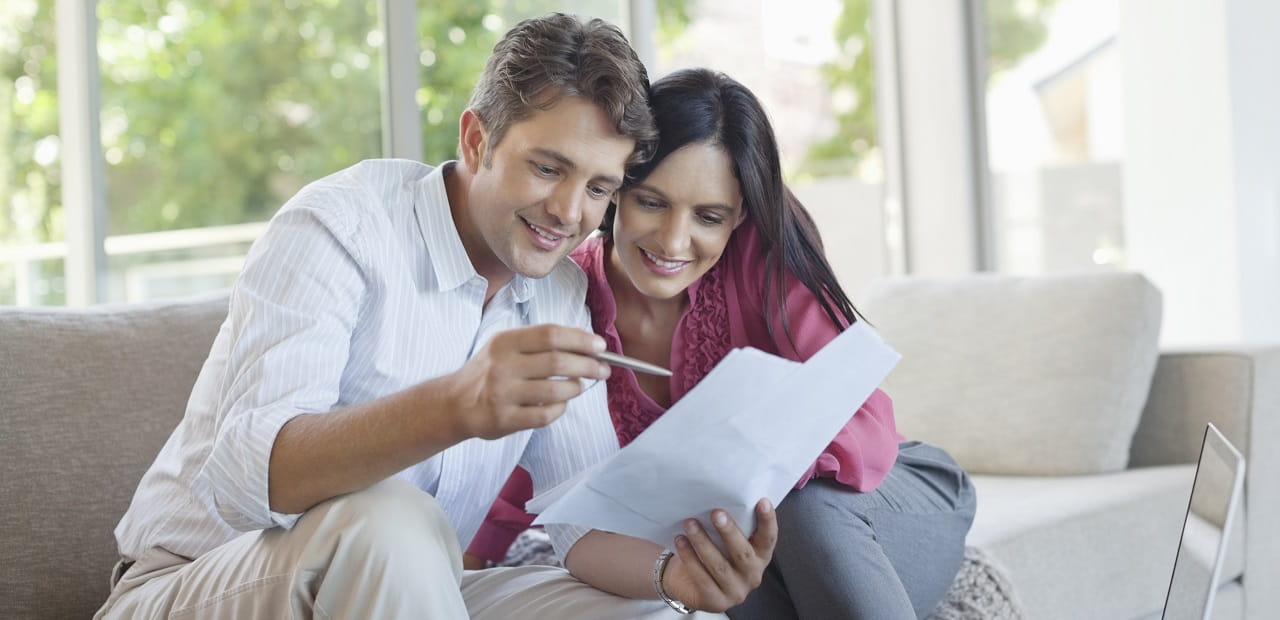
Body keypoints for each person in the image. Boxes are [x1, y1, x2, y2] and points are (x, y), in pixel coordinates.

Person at [96, 16, 779, 620]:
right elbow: (250, 481)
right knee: (389, 520)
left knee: (660, 613)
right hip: (200, 584)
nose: (570, 213)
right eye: (548, 168)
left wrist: (672, 574)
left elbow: (580, 517)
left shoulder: (559, 292)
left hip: (412, 588)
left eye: (599, 187)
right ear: (477, 141)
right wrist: (456, 405)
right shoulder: (339, 227)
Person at [466, 68, 977, 620]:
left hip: (877, 496)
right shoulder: (565, 297)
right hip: (737, 537)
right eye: (652, 203)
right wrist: (456, 572)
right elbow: (528, 463)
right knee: (709, 569)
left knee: (795, 512)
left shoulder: (765, 256)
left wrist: (740, 475)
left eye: (709, 217)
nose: (673, 241)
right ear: (617, 190)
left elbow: (860, 429)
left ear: (738, 218)